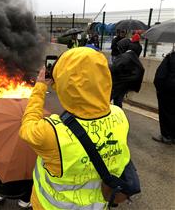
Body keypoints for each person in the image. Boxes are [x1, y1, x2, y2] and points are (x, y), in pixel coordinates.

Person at [19, 47, 131, 210]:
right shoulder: (119, 115)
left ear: (64, 83)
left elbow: (27, 126)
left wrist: (40, 87)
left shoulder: (51, 132)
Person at [110, 38, 144, 108]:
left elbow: (114, 68)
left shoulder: (124, 57)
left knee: (107, 99)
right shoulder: (132, 55)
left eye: (119, 47)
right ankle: (119, 115)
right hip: (125, 84)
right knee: (118, 101)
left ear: (123, 47)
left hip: (117, 83)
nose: (118, 49)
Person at [152, 51, 175, 144]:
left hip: (168, 91)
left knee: (165, 113)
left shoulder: (170, 57)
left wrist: (159, 89)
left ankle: (166, 136)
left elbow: (160, 76)